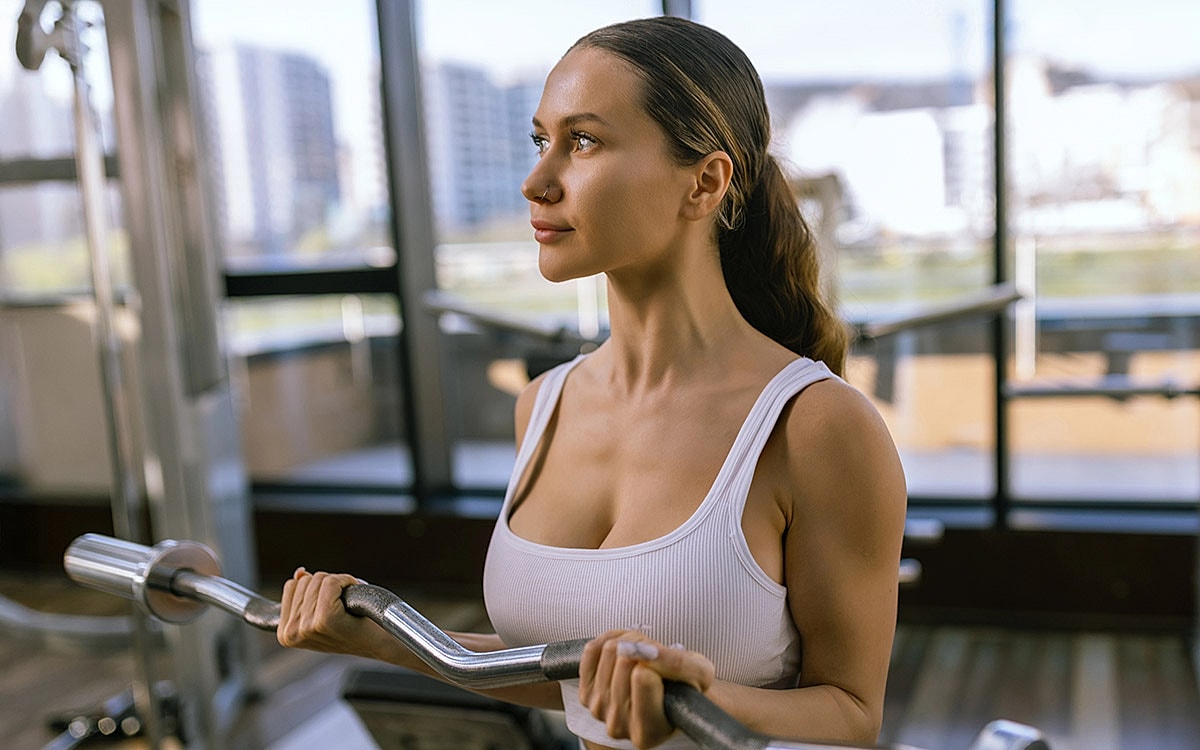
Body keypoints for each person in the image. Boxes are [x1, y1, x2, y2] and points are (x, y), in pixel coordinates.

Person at [276, 15, 906, 750]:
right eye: (542, 140)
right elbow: (565, 679)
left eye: (583, 141)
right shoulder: (542, 406)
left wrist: (699, 697)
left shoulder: (817, 426)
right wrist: (391, 637)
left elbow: (852, 711)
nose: (536, 181)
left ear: (704, 182)